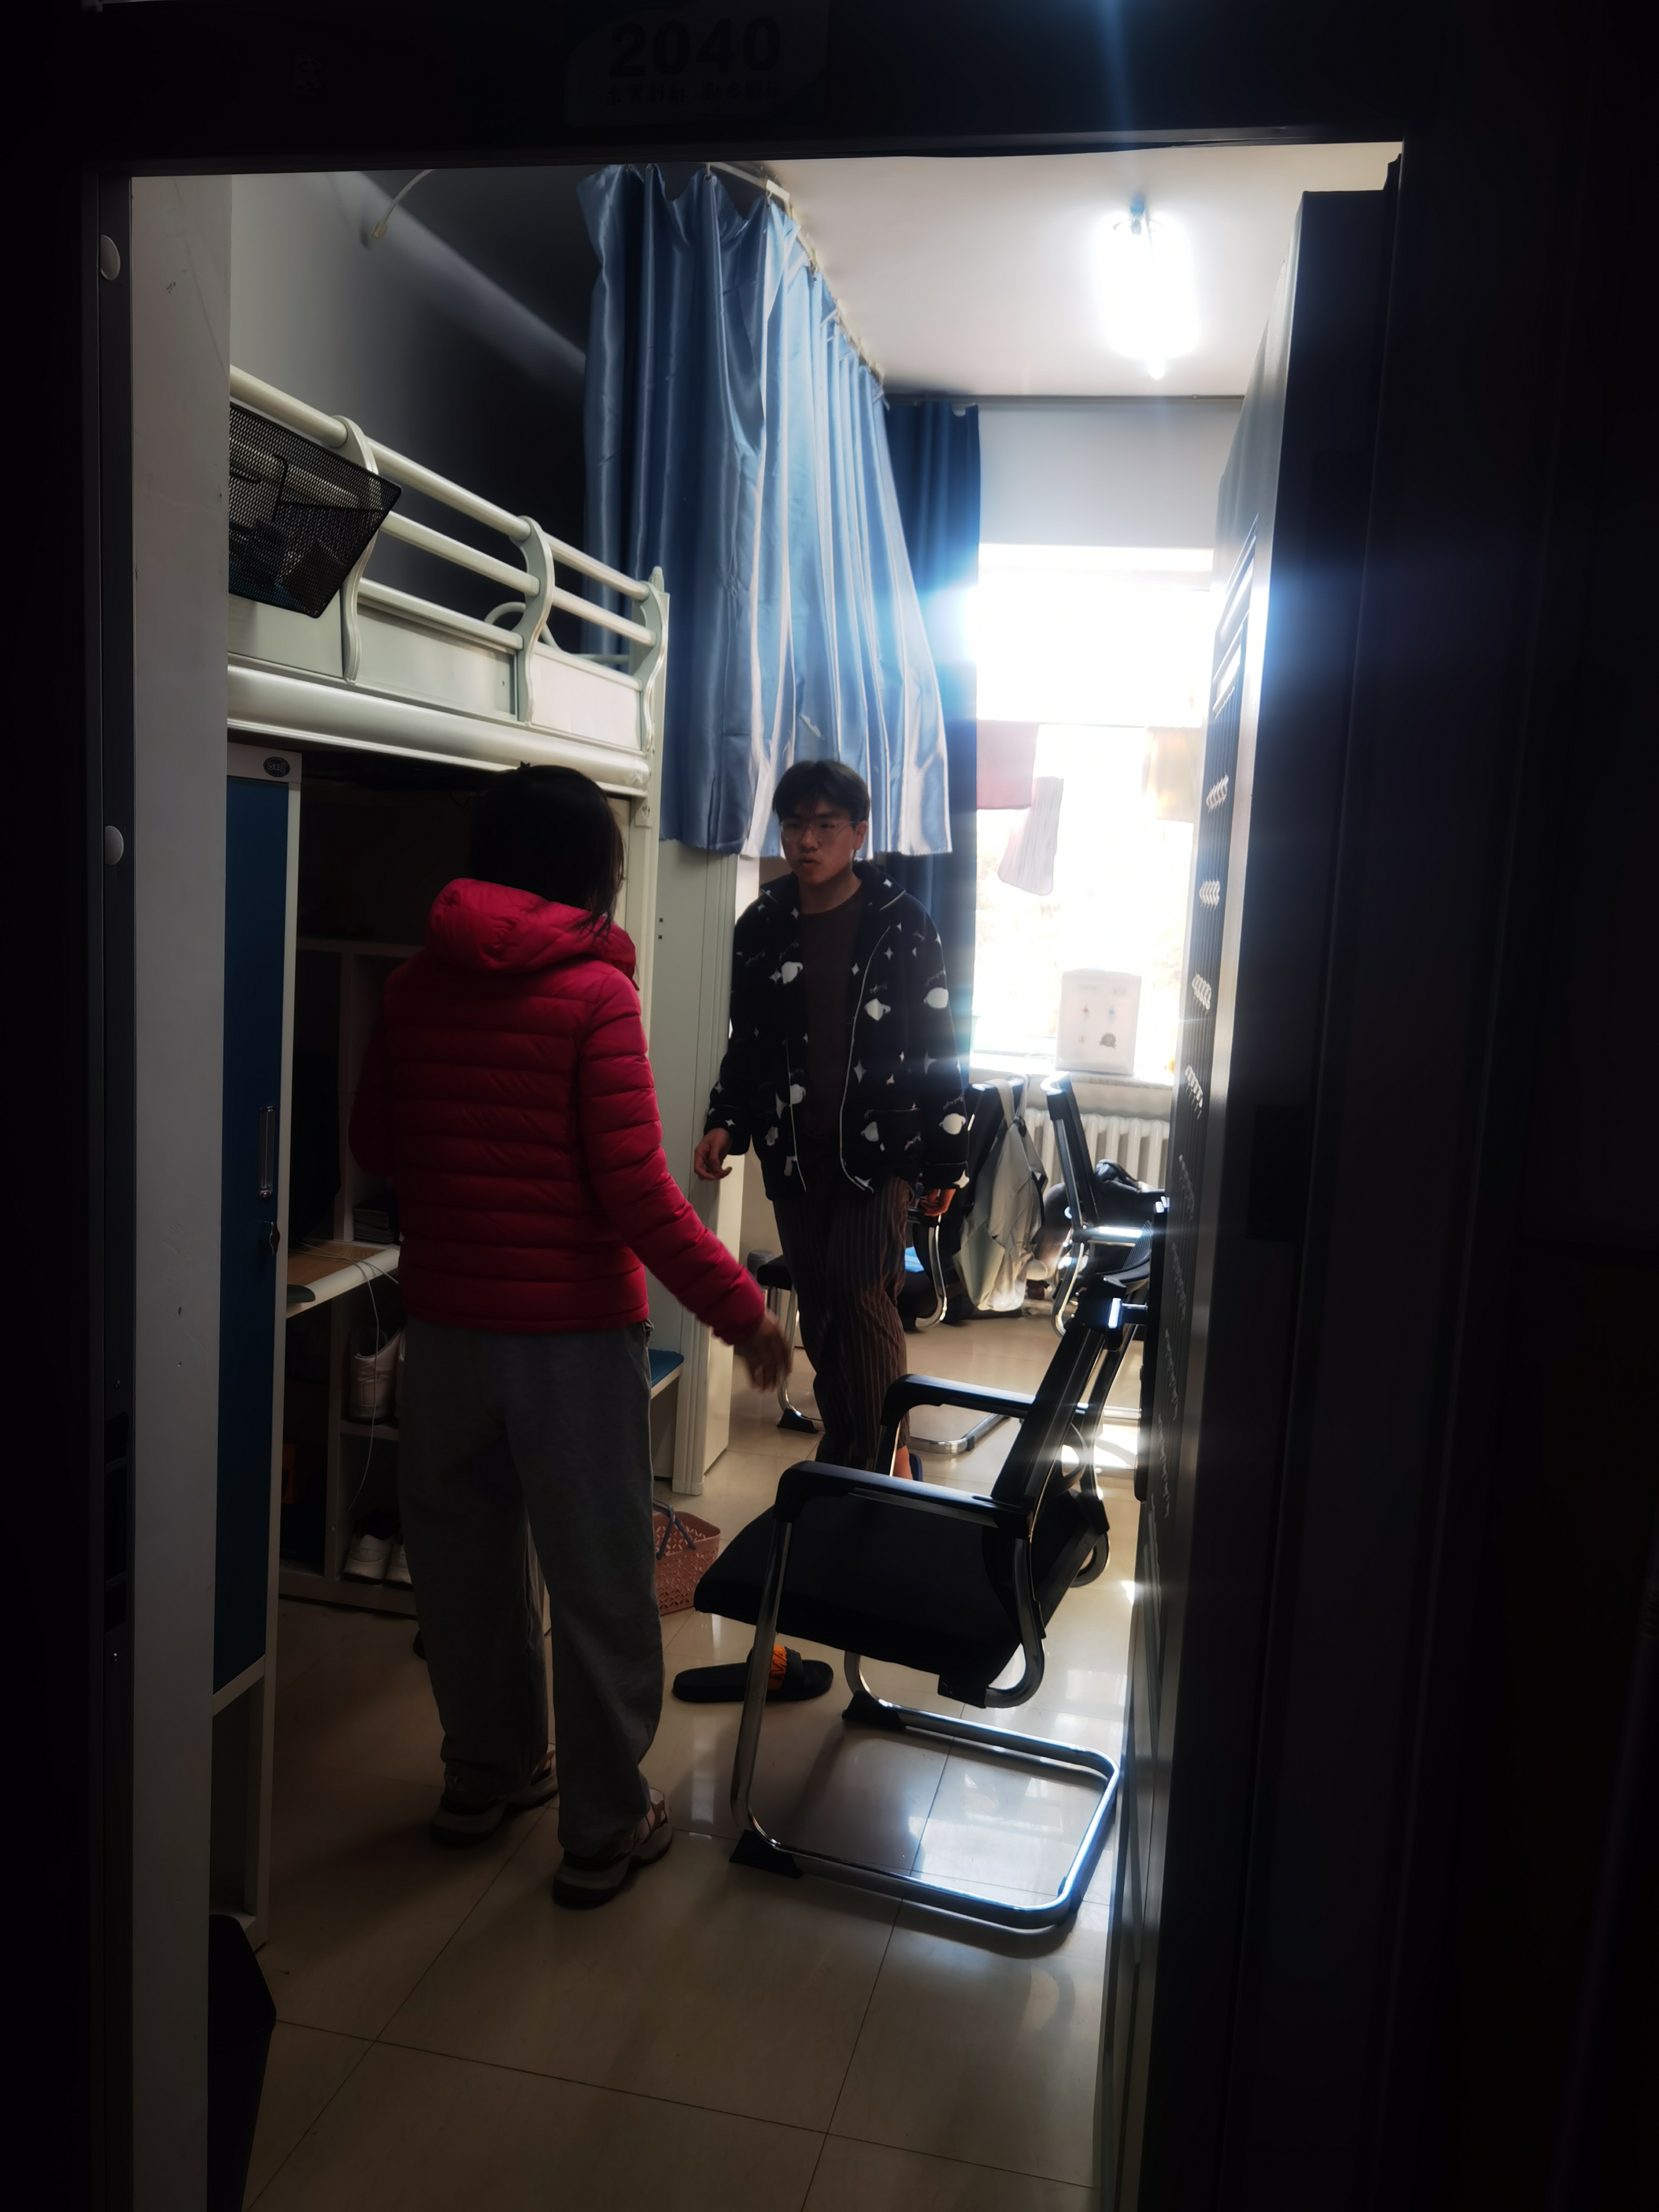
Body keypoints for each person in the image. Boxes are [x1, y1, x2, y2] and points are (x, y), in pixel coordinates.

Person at [349, 765, 790, 1909]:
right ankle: (601, 1824)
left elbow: (374, 1144)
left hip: (446, 1331)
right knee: (599, 1580)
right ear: (593, 870)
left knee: (463, 1571)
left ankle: (485, 1774)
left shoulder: (411, 987)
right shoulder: (595, 996)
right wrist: (743, 1311)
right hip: (571, 1343)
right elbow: (639, 1193)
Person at [693, 761, 968, 1472]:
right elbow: (748, 1043)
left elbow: (938, 1042)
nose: (806, 840)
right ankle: (856, 1448)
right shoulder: (761, 926)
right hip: (793, 1147)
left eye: (824, 825)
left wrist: (947, 1157)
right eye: (794, 825)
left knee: (861, 1295)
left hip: (880, 1147)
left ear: (858, 834)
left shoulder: (902, 921)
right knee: (819, 1310)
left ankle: (876, 1464)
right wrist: (727, 1119)